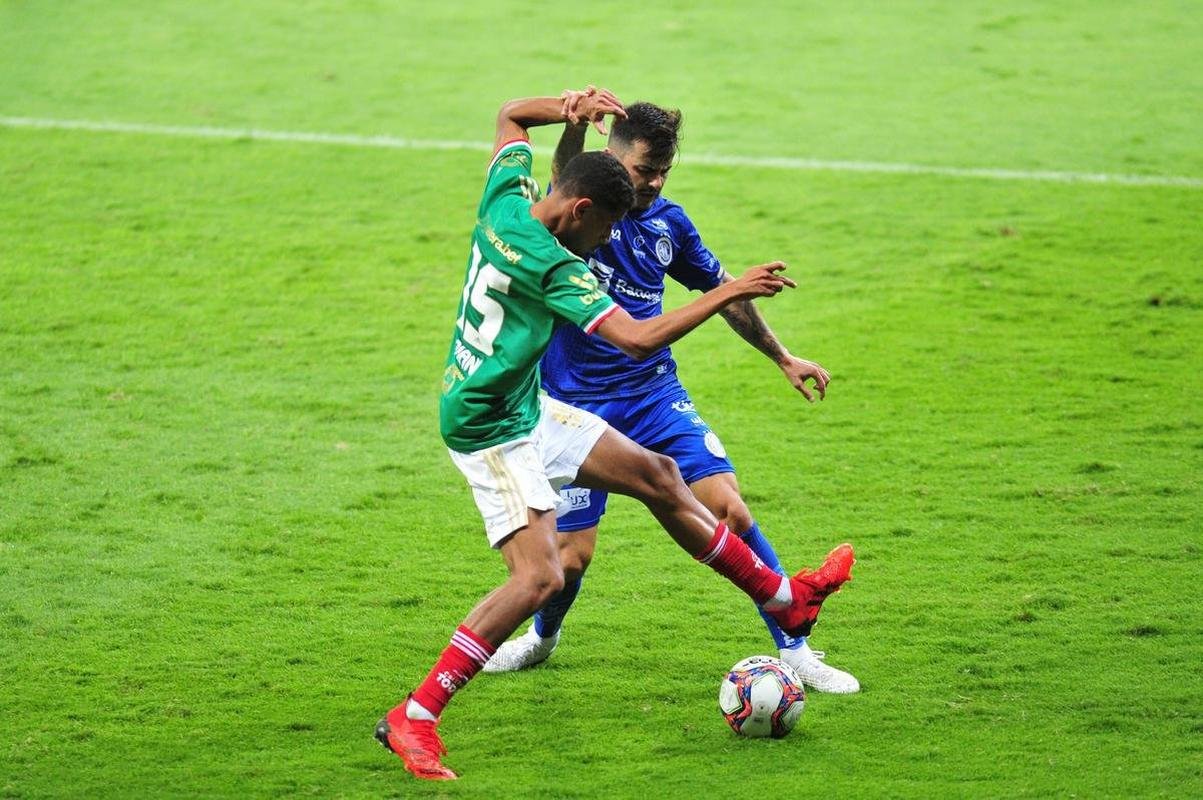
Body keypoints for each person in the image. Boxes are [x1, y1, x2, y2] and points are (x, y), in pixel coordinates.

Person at [374, 88, 854, 781]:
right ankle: (414, 717)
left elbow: (511, 115)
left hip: (526, 405)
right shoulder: (553, 266)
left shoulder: (506, 201)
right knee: (540, 576)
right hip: (491, 426)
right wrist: (723, 291)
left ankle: (785, 600)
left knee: (660, 476)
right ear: (579, 213)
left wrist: (561, 106)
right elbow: (631, 337)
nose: (604, 246)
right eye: (603, 231)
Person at [483, 97, 859, 693]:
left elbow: (728, 293)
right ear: (610, 160)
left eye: (663, 173)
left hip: (653, 397)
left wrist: (782, 357)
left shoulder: (670, 224)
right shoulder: (582, 214)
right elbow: (561, 175)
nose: (653, 183)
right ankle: (541, 639)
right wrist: (572, 123)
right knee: (570, 559)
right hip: (572, 407)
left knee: (729, 509)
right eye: (641, 172)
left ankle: (796, 647)